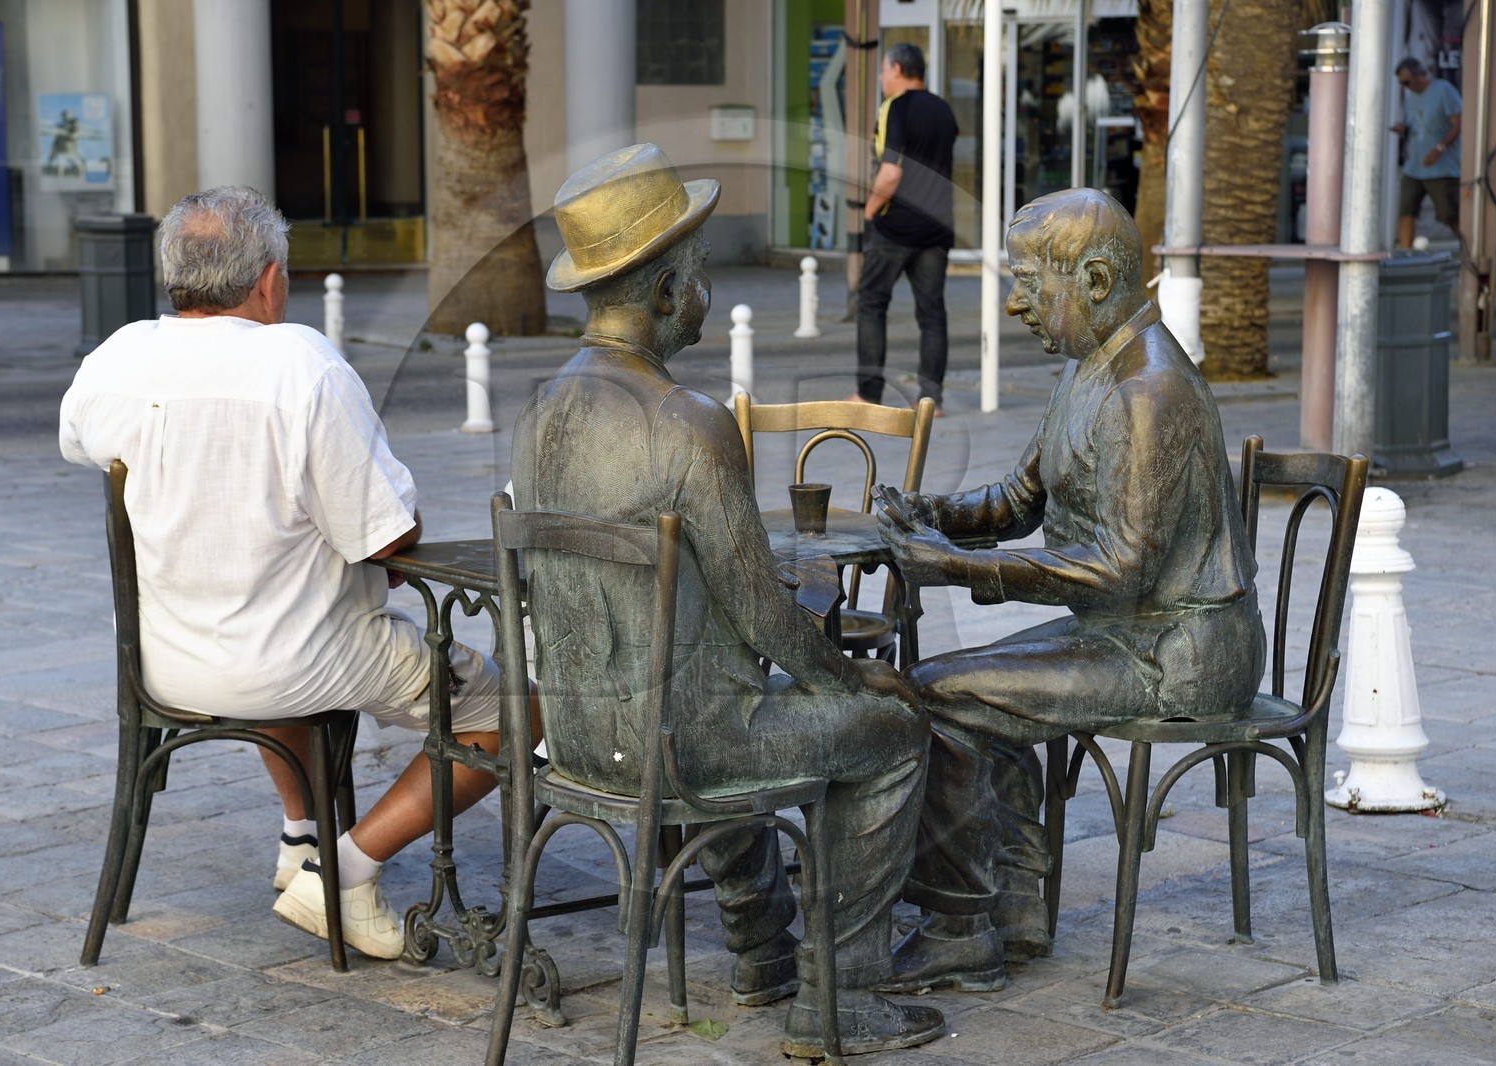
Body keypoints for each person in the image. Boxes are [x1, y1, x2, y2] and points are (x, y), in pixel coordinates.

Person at [512, 143, 942, 1058]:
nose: (704, 292)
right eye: (699, 275)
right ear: (667, 294)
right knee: (891, 729)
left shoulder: (540, 411)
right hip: (681, 745)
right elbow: (767, 621)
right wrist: (853, 681)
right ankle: (843, 995)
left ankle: (762, 954)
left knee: (721, 694)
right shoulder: (689, 423)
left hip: (583, 738)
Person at [59, 186, 507, 961]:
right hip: (286, 660)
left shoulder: (116, 355)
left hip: (160, 661)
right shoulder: (302, 364)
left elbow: (82, 444)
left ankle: (305, 835)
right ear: (269, 281)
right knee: (515, 717)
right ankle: (345, 871)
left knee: (270, 600)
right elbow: (387, 537)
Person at [873, 187, 1266, 992]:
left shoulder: (1149, 388)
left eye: (1026, 281)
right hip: (1126, 629)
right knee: (974, 689)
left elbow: (1120, 566)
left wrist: (960, 567)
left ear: (1091, 280)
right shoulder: (1092, 366)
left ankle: (959, 928)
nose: (1015, 302)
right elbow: (1021, 500)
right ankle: (1012, 911)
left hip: (1179, 649)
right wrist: (931, 514)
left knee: (937, 694)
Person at [850, 41, 958, 413]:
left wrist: (870, 210)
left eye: (883, 70)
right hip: (936, 229)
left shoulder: (895, 107)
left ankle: (868, 395)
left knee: (871, 305)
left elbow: (891, 172)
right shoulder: (943, 110)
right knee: (931, 314)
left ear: (896, 69)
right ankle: (931, 400)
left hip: (895, 227)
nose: (881, 77)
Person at [1390, 57, 1462, 248]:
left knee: (1449, 214)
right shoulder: (1410, 96)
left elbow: (1458, 123)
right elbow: (1413, 122)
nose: (1405, 87)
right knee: (1406, 211)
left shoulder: (1443, 90)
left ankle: (1470, 248)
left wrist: (1439, 149)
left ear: (1419, 76)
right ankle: (1405, 255)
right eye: (1401, 83)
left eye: (1406, 82)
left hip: (1441, 168)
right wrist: (1402, 128)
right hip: (1414, 165)